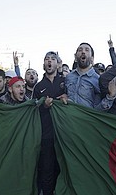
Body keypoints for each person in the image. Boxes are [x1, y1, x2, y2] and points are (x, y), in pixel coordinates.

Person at [32, 51, 66, 195]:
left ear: (58, 64)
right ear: (43, 64)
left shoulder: (66, 82)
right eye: (47, 59)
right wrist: (44, 106)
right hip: (46, 135)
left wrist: (66, 97)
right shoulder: (38, 86)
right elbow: (33, 111)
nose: (49, 61)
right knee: (47, 169)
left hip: (65, 134)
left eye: (53, 59)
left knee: (64, 167)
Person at [65, 42, 115, 110]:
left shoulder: (97, 80)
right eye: (80, 50)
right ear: (76, 57)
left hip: (86, 119)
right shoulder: (69, 77)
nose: (83, 52)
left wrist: (110, 97)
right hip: (69, 118)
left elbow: (99, 109)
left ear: (92, 59)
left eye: (87, 50)